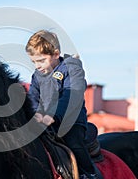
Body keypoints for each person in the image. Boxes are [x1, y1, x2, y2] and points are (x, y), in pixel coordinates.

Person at [25, 30, 97, 179]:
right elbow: (32, 97)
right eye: (34, 62)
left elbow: (72, 96)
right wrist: (35, 113)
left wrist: (53, 115)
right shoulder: (38, 75)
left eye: (41, 60)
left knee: (74, 143)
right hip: (47, 124)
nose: (37, 66)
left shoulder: (71, 69)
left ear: (56, 54)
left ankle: (89, 174)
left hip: (71, 122)